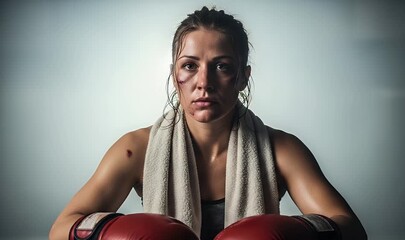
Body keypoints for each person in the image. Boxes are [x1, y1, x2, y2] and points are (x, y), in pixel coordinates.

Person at [50, 6, 367, 240]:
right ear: (176, 76)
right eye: (190, 66)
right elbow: (62, 228)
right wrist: (116, 232)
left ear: (243, 78)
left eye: (222, 66)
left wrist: (291, 233)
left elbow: (351, 228)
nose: (204, 82)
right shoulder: (137, 149)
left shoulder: (280, 150)